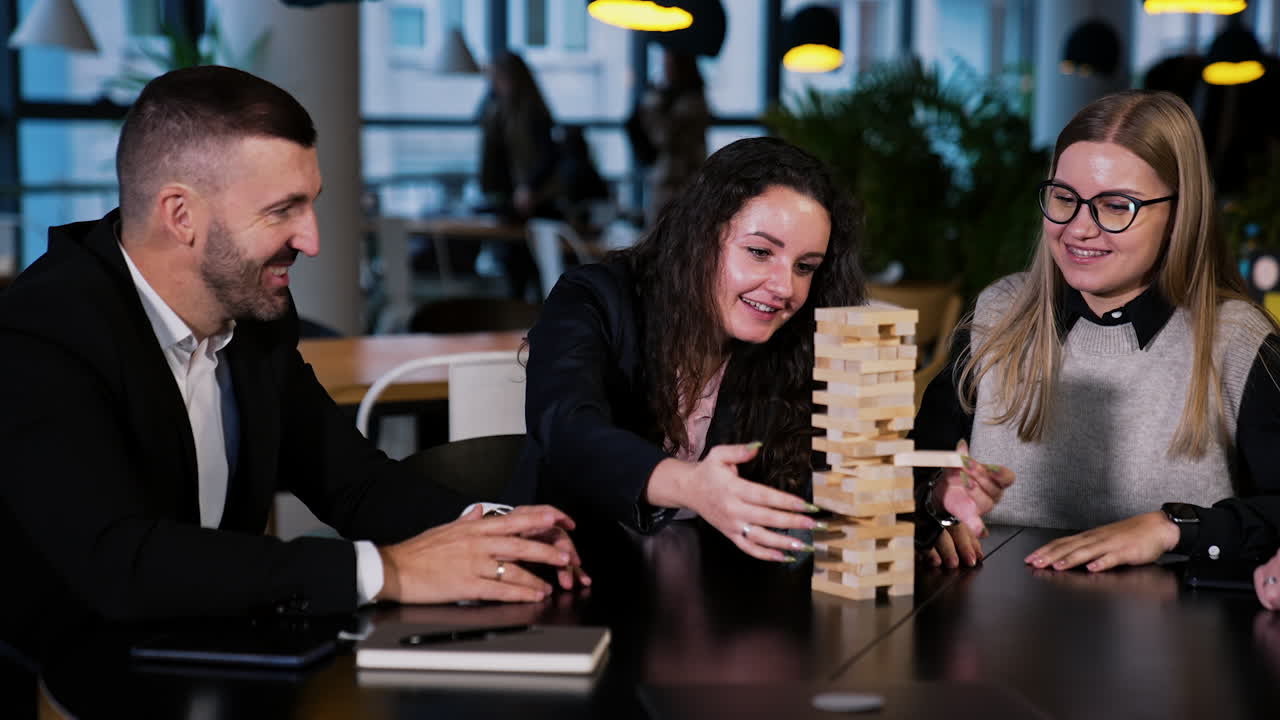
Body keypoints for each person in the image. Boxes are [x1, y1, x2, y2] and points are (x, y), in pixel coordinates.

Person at [0, 66, 588, 666]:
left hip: (222, 656)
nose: (311, 239)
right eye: (283, 210)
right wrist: (385, 571)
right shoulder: (44, 331)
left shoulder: (254, 314)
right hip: (72, 679)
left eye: (311, 205)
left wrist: (490, 528)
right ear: (181, 215)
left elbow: (352, 482)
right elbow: (119, 563)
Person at [516, 136, 1001, 561]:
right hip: (571, 578)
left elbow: (833, 491)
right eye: (760, 252)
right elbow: (567, 427)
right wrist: (692, 486)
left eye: (805, 267)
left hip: (716, 611)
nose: (784, 287)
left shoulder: (793, 341)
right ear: (701, 236)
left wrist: (932, 501)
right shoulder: (596, 298)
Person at [913, 89, 1280, 573]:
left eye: (1115, 206)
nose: (1079, 229)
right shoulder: (996, 314)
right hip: (997, 637)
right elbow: (911, 472)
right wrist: (935, 502)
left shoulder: (1237, 342)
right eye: (1065, 199)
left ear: (1178, 214)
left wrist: (1173, 527)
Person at [478, 52, 559, 298]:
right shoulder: (499, 111)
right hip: (509, 200)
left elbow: (548, 156)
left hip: (534, 201)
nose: (495, 84)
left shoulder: (532, 112)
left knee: (533, 271)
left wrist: (529, 188)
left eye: (498, 78)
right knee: (514, 271)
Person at [628, 49, 711, 228]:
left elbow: (665, 136)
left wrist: (654, 106)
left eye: (669, 63)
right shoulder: (677, 98)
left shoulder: (691, 103)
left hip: (680, 180)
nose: (666, 68)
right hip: (669, 178)